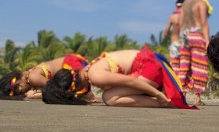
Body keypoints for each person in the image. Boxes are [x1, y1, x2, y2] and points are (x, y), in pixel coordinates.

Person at [42, 47, 196, 109]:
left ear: (72, 86)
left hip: (150, 69)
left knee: (109, 97)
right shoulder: (89, 69)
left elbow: (131, 81)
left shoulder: (95, 75)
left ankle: (163, 103)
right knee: (109, 94)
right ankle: (159, 98)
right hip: (149, 66)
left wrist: (158, 94)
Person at [178, 0, 213, 105]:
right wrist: (207, 40)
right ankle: (197, 98)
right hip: (197, 35)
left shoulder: (186, 2)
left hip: (184, 35)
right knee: (200, 66)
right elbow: (204, 23)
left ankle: (183, 95)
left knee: (184, 67)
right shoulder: (201, 3)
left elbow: (180, 21)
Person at [0, 54, 94, 100]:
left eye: (20, 90)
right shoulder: (30, 74)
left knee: (94, 79)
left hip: (70, 66)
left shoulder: (33, 78)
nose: (23, 92)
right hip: (70, 63)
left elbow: (54, 88)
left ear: (18, 83)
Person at [164, 0, 185, 75]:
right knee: (183, 64)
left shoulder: (172, 17)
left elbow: (166, 32)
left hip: (174, 42)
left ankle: (175, 81)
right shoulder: (186, 17)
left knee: (174, 64)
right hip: (184, 43)